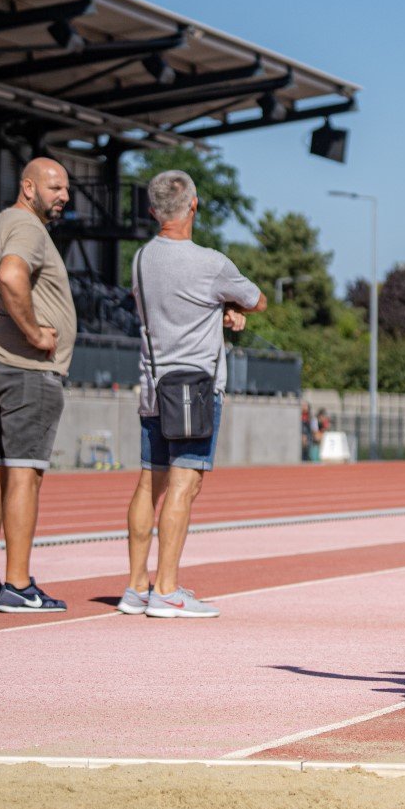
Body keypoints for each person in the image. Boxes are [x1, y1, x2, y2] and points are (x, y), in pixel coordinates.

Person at [119, 171, 266, 620]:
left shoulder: (141, 258)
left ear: (152, 211)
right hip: (196, 388)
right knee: (185, 485)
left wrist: (219, 309)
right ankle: (166, 589)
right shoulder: (211, 263)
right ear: (194, 206)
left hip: (153, 384)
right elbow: (257, 300)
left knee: (150, 482)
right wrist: (231, 307)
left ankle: (135, 586)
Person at [0, 158, 76, 613]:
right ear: (28, 187)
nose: (64, 195)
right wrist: (35, 333)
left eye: (66, 188)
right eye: (54, 187)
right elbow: (12, 276)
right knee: (25, 474)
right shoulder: (28, 229)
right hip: (24, 367)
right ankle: (17, 584)